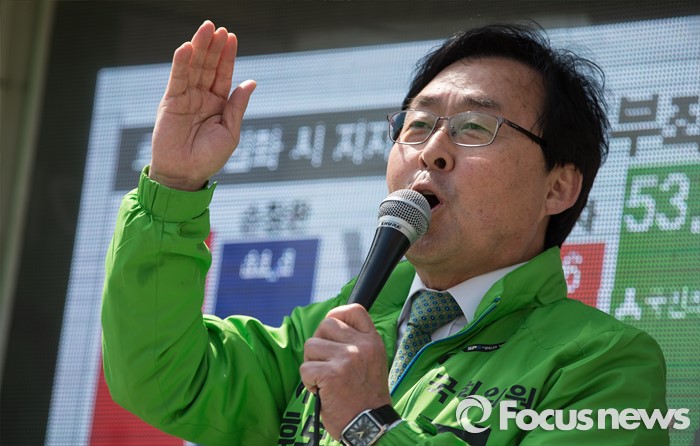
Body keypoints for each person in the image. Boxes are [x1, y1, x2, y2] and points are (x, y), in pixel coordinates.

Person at [101, 20, 668, 445]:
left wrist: (368, 424)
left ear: (558, 187)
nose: (432, 150)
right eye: (417, 124)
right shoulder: (337, 326)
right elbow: (164, 376)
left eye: (475, 127)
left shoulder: (603, 366)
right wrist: (174, 185)